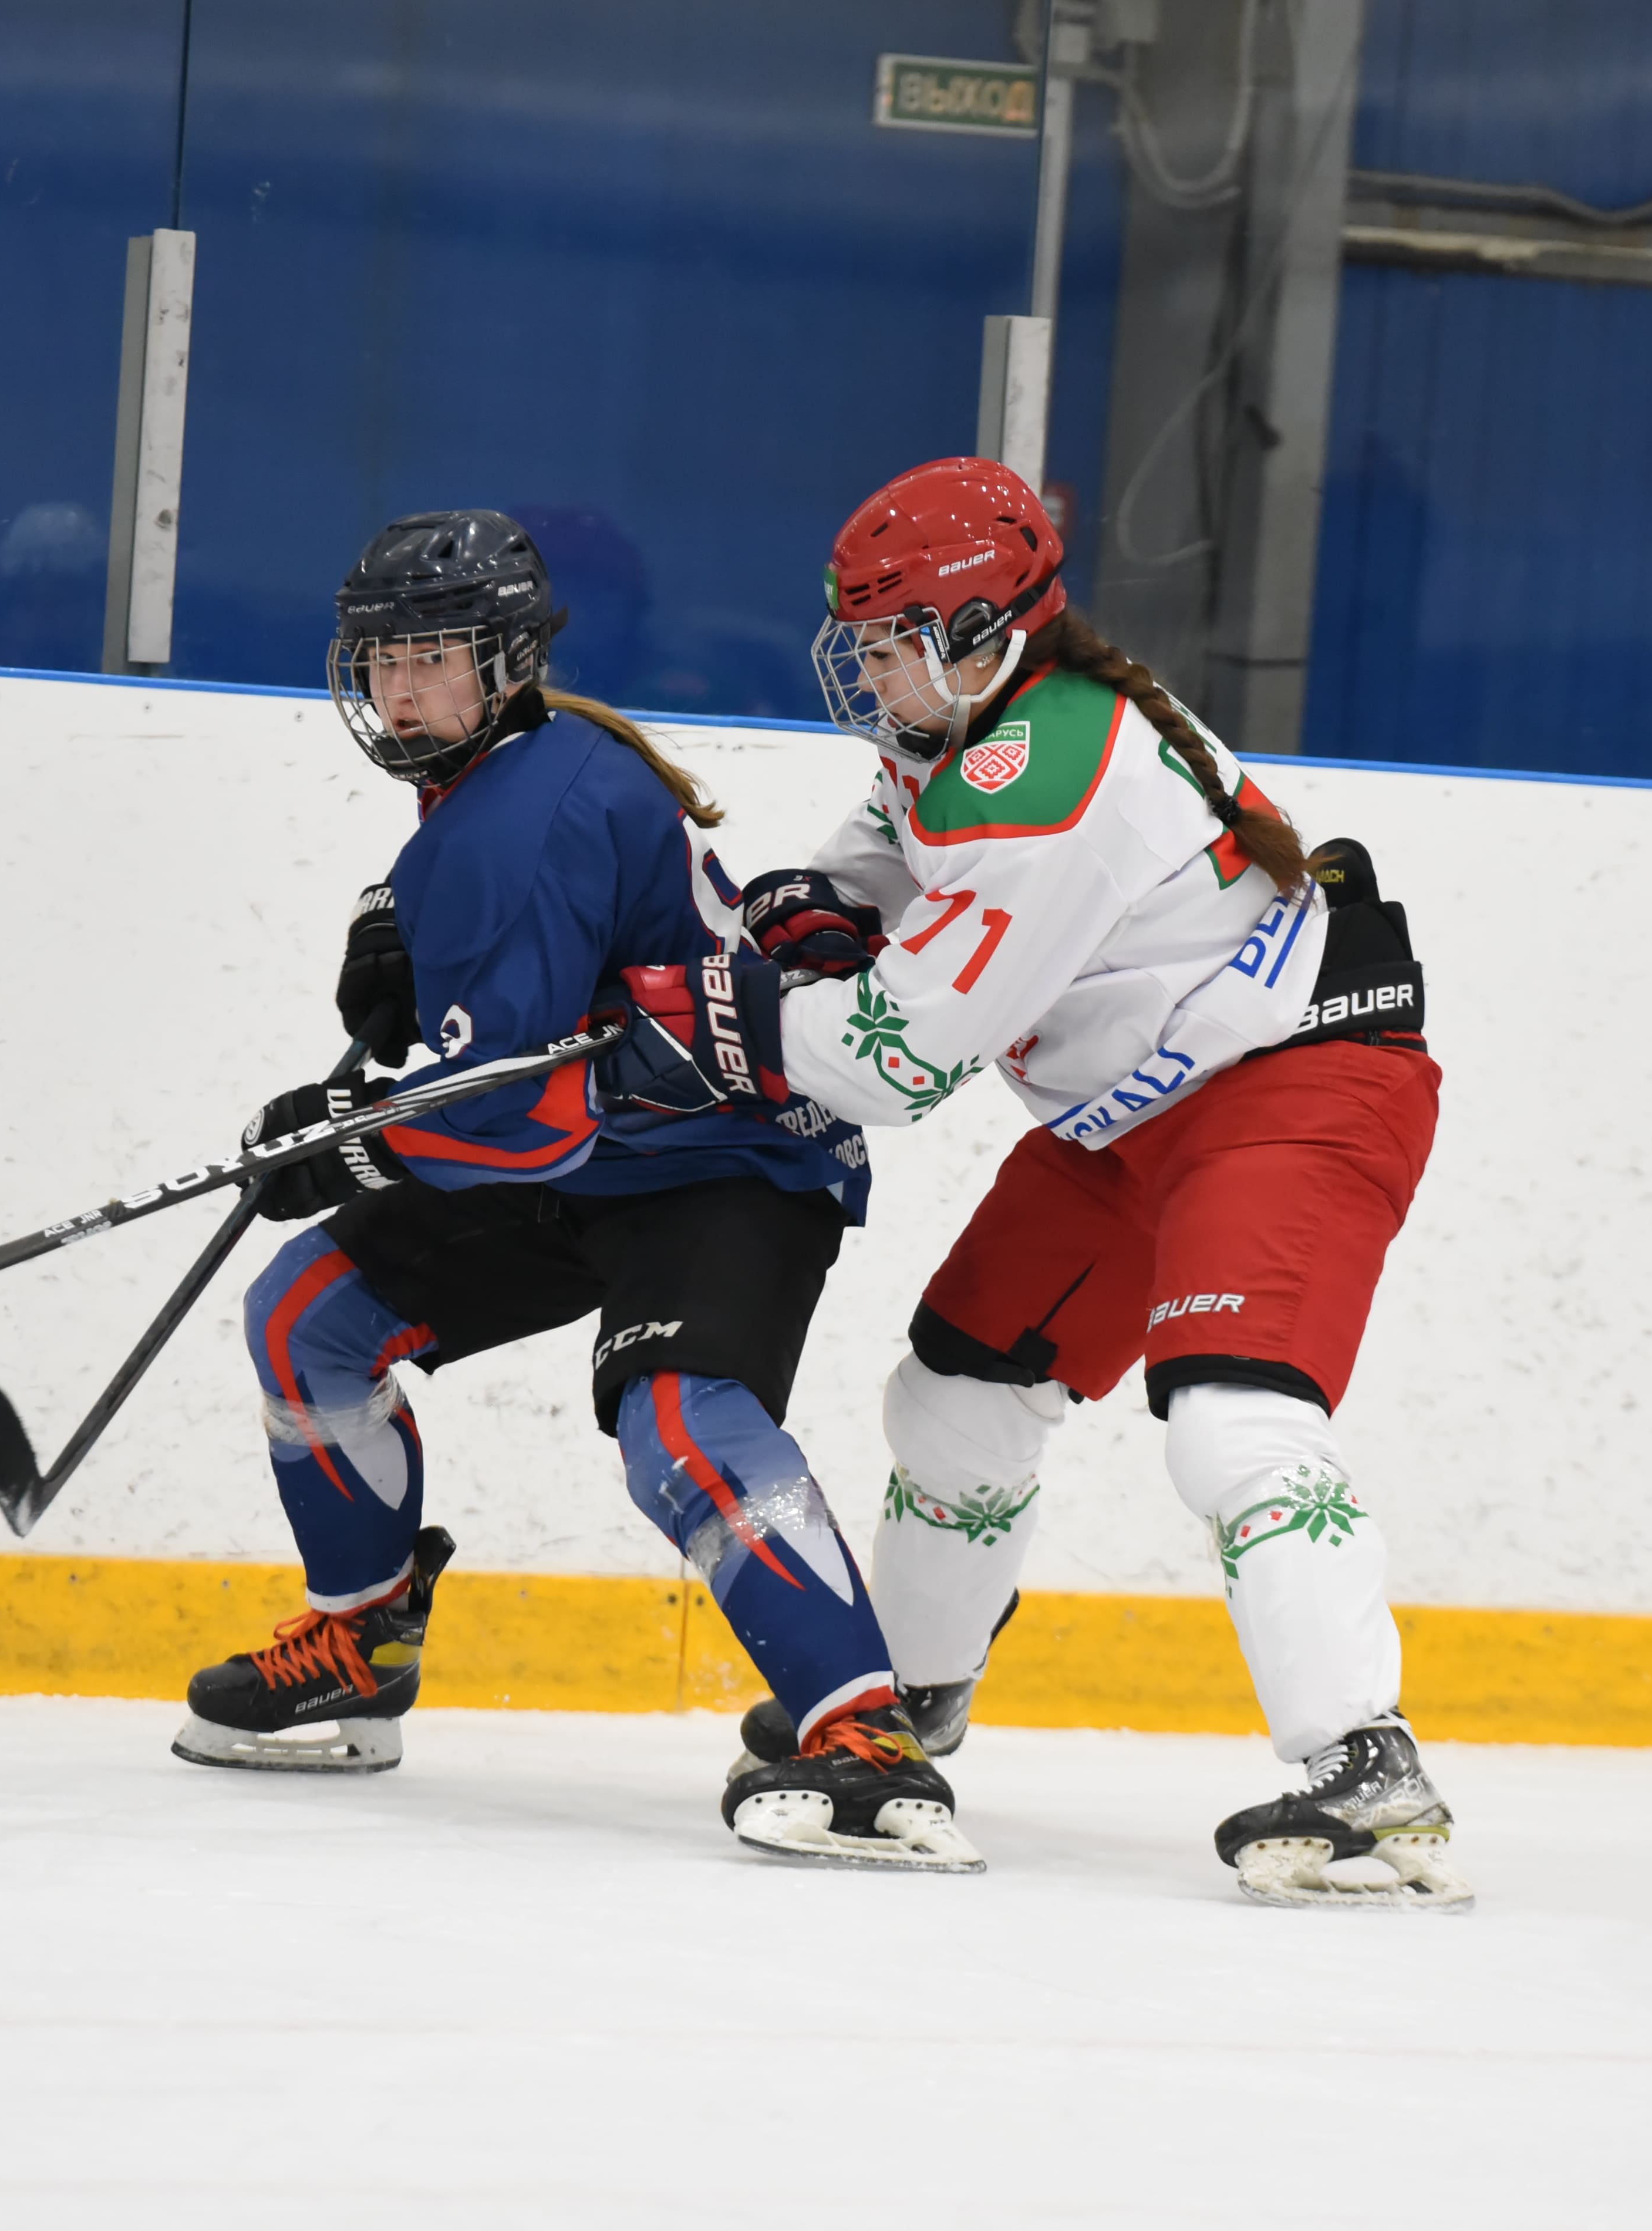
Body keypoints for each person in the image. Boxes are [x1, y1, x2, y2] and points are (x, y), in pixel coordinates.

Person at [597, 458, 1465, 1909]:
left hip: (1297, 1084)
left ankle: (1365, 1766)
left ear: (986, 629)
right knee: (952, 1397)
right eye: (862, 644)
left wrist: (731, 1020)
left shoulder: (1055, 777)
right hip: (1136, 1110)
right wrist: (824, 903)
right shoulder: (970, 716)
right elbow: (890, 845)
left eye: (896, 643)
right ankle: (912, 1701)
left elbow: (894, 1058)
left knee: (1232, 1418)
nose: (874, 675)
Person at [173, 508, 977, 1875]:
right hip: (596, 1144)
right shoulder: (500, 774)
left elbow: (514, 1120)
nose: (399, 690)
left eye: (432, 658)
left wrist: (353, 1142)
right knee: (308, 1318)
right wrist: (413, 968)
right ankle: (363, 1643)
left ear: (505, 663)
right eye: (381, 660)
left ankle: (865, 1738)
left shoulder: (521, 817)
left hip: (727, 1156)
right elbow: (532, 1046)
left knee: (680, 1430)